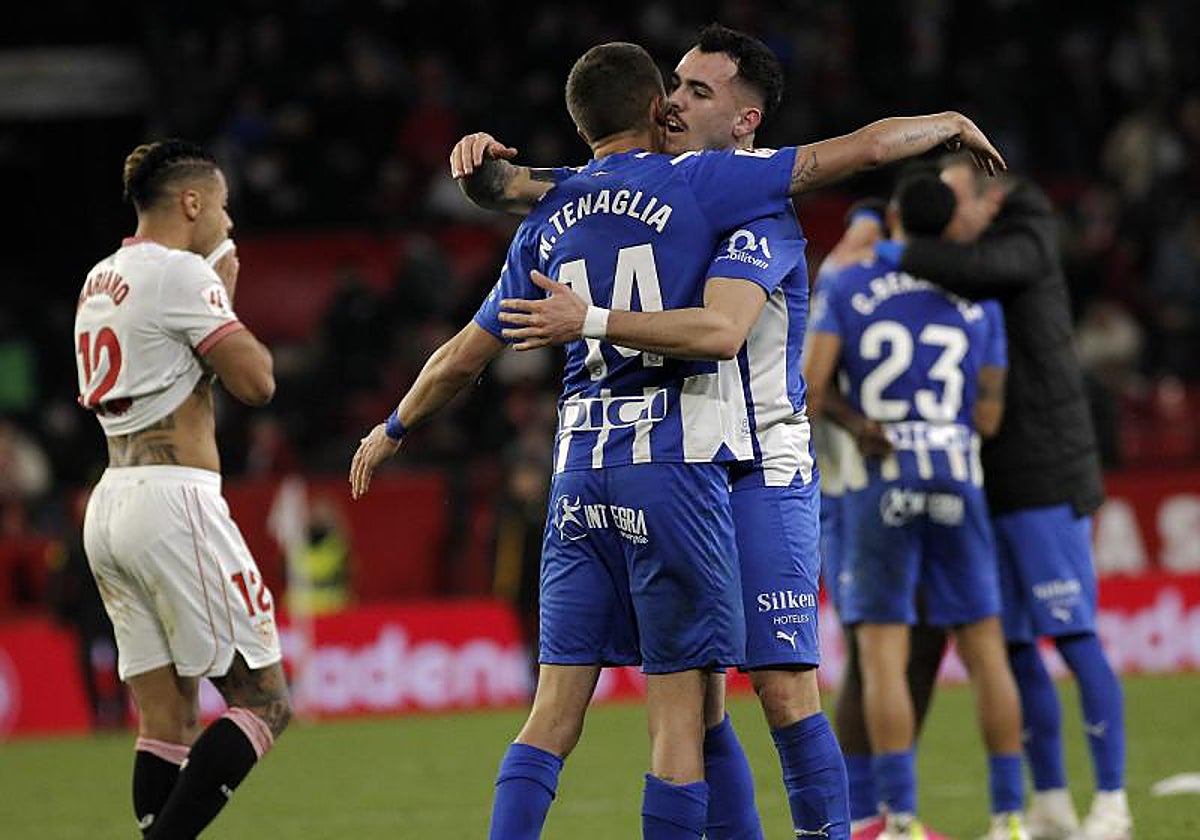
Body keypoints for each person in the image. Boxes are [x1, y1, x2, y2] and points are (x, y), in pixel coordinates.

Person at [450, 24, 1004, 840]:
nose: (672, 100)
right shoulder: (666, 189)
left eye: (698, 91)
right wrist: (475, 161)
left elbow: (861, 150)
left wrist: (948, 121)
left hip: (765, 465)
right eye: (672, 83)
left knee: (782, 688)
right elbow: (518, 187)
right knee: (697, 694)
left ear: (744, 120)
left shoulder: (754, 196)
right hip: (692, 463)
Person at [872, 155, 1131, 840]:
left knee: (1073, 636)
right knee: (1015, 648)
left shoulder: (1027, 226)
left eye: (954, 203)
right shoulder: (968, 252)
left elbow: (993, 271)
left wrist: (891, 248)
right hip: (986, 476)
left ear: (990, 200)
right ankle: (1049, 800)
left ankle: (1112, 801)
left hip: (1044, 467)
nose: (950, 219)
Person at [75, 139, 290, 838]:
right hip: (173, 501)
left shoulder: (99, 277)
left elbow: (169, 360)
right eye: (223, 207)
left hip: (110, 500)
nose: (227, 222)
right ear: (192, 202)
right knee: (263, 700)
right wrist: (221, 283)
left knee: (167, 717)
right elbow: (256, 382)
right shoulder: (181, 273)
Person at [805, 173, 1026, 840]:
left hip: (881, 480)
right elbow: (989, 415)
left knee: (880, 657)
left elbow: (813, 390)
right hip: (956, 476)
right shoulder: (980, 299)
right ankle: (1010, 817)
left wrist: (860, 420)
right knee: (987, 652)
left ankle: (898, 819)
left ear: (895, 218)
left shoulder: (848, 283)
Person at [810, 200, 951, 840]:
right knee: (875, 652)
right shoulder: (849, 269)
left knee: (925, 645)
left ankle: (888, 800)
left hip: (919, 488)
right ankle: (862, 813)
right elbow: (814, 386)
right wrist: (858, 427)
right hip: (851, 488)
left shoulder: (929, 283)